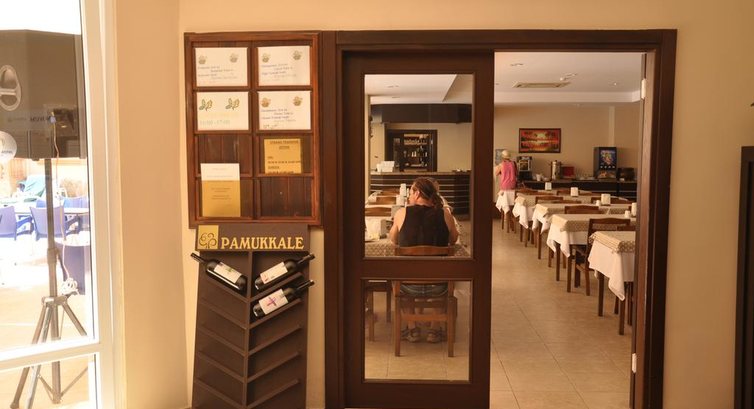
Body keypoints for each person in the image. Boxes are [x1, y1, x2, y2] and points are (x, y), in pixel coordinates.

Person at [388, 177, 459, 343]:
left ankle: (412, 328)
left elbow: (393, 239)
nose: (409, 196)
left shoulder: (402, 213)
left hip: (407, 286)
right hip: (439, 286)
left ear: (417, 193)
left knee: (396, 277)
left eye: (411, 192)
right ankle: (434, 329)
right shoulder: (445, 214)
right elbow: (453, 240)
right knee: (440, 272)